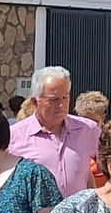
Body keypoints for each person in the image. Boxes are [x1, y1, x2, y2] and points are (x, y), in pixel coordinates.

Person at [9, 66, 100, 196]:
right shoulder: (14, 137)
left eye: (65, 98)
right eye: (53, 100)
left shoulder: (88, 130)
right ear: (35, 101)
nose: (61, 105)